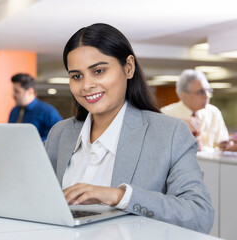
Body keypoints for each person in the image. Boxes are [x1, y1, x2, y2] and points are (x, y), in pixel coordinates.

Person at [44, 23, 213, 233]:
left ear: (129, 67)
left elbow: (199, 216)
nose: (86, 85)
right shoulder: (60, 133)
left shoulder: (169, 133)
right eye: (76, 76)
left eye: (98, 71)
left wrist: (119, 196)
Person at [161, 70, 229, 151]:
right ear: (184, 95)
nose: (207, 96)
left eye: (208, 90)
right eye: (201, 92)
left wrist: (205, 149)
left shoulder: (214, 113)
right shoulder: (165, 114)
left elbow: (223, 147)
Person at [9, 73, 62, 141]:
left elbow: (59, 134)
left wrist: (36, 143)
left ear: (30, 92)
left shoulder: (47, 111)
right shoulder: (14, 111)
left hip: (39, 150)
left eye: (17, 91)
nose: (13, 95)